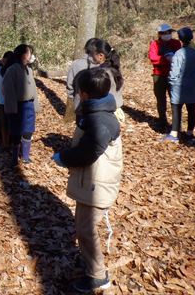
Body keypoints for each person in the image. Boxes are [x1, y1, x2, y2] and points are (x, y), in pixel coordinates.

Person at [52, 68, 122, 293]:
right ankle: (92, 267)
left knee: (85, 229)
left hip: (97, 185)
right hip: (92, 183)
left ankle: (97, 276)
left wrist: (64, 157)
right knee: (83, 227)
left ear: (84, 94)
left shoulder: (100, 121)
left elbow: (88, 152)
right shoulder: (95, 113)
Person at [165, 27, 195, 142]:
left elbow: (174, 72)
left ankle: (174, 135)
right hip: (194, 86)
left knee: (176, 109)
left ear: (180, 39)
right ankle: (190, 134)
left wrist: (171, 83)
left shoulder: (180, 53)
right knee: (191, 110)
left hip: (179, 87)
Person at [2, 44, 39, 165]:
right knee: (16, 133)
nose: (30, 56)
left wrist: (36, 105)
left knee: (28, 132)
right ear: (23, 55)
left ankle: (26, 156)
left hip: (29, 105)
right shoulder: (12, 70)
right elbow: (8, 90)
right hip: (17, 106)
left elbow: (33, 89)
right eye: (29, 53)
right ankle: (14, 157)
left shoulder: (29, 69)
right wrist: (12, 108)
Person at [148, 23, 181, 130]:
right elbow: (153, 58)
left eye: (169, 33)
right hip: (159, 75)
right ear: (160, 34)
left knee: (175, 100)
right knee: (161, 100)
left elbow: (178, 59)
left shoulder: (176, 43)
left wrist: (164, 59)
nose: (167, 35)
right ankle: (162, 121)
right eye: (165, 33)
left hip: (173, 75)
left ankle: (176, 124)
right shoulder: (154, 44)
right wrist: (166, 59)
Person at [66, 38, 101, 121]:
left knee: (81, 128)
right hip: (98, 106)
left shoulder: (76, 64)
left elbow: (70, 85)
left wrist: (73, 97)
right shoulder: (101, 66)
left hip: (80, 104)